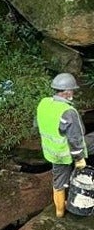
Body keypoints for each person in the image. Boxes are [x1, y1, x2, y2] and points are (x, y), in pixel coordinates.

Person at [36, 73, 90, 217]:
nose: (73, 93)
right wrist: (79, 159)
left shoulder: (44, 103)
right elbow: (76, 138)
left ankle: (60, 211)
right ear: (67, 92)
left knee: (59, 181)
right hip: (65, 152)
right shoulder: (68, 112)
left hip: (51, 152)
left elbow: (37, 124)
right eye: (72, 90)